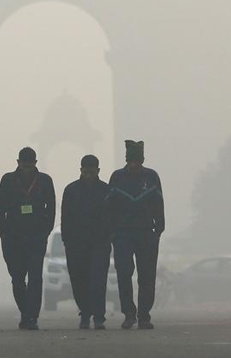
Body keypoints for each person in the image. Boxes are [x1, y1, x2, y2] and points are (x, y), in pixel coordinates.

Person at [0, 147, 56, 330]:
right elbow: (0, 207)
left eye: (30, 166)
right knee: (17, 277)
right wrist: (2, 231)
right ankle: (26, 311)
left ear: (35, 163)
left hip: (36, 235)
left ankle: (32, 316)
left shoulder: (45, 181)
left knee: (35, 277)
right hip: (13, 236)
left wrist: (46, 229)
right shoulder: (7, 180)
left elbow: (51, 206)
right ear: (18, 163)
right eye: (24, 166)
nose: (27, 169)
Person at [107, 140, 165, 330]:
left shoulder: (151, 176)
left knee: (147, 276)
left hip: (146, 233)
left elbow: (159, 204)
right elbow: (109, 206)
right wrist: (113, 231)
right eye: (131, 160)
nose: (134, 164)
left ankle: (144, 315)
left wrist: (159, 229)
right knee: (124, 274)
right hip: (123, 234)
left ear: (142, 159)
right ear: (126, 160)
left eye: (137, 161)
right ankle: (129, 314)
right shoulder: (117, 177)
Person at [61, 154, 113, 330]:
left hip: (100, 242)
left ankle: (98, 316)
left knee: (98, 279)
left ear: (98, 171)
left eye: (92, 172)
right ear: (81, 170)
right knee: (79, 279)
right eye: (86, 172)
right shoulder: (71, 190)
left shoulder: (107, 190)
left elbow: (112, 216)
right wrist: (66, 240)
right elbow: (65, 218)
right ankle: (85, 312)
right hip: (76, 243)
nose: (89, 175)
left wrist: (108, 237)